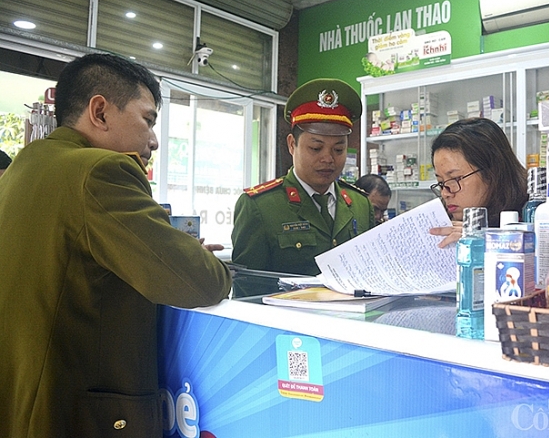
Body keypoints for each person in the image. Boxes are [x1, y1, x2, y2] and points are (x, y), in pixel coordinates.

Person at [0, 53, 232, 437]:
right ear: (100, 112)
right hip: (73, 416)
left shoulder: (23, 167)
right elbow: (201, 281)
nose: (154, 141)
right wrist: (192, 257)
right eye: (148, 120)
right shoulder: (101, 171)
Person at [231, 78, 374, 277]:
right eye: (316, 148)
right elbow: (247, 287)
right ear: (292, 145)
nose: (328, 158)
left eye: (338, 149)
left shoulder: (360, 204)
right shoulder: (260, 207)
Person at [428, 117, 528, 248]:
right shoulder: (446, 222)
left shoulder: (534, 217)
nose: (445, 193)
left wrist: (481, 242)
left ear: (492, 173)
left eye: (455, 179)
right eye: (440, 182)